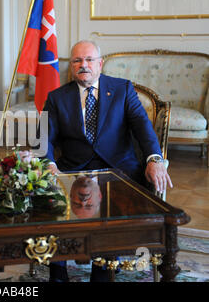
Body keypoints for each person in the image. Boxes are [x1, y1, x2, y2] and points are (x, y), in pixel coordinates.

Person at [43, 40, 173, 282]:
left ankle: (103, 271)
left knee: (111, 203)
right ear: (71, 66)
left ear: (100, 64)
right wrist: (49, 164)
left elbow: (143, 128)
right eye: (77, 61)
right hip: (74, 170)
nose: (84, 65)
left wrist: (155, 159)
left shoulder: (122, 89)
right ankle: (58, 271)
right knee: (51, 201)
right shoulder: (56, 98)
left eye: (89, 60)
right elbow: (43, 141)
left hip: (118, 170)